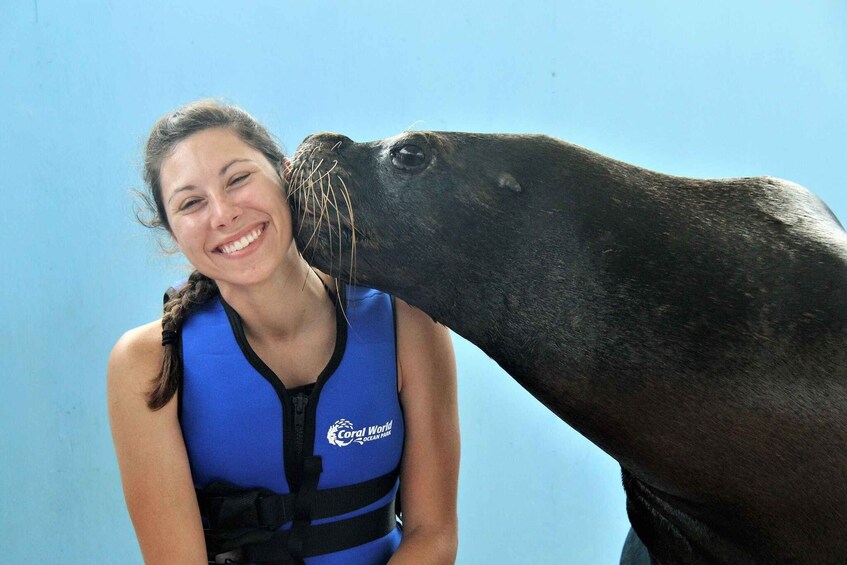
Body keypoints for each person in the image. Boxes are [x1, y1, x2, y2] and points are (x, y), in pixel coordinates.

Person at [107, 100, 460, 565]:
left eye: (238, 179)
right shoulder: (147, 362)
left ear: (286, 175)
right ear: (173, 232)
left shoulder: (405, 317)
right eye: (191, 203)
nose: (223, 214)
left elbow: (433, 535)